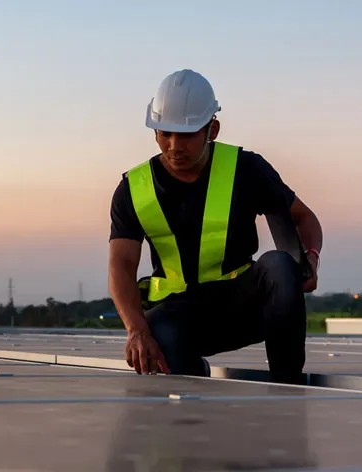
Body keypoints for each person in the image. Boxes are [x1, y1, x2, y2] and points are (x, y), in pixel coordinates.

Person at [108, 69, 323, 384]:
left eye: (187, 134)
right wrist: (136, 330)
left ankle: (287, 384)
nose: (173, 146)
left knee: (280, 265)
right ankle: (192, 373)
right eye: (164, 133)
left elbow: (303, 217)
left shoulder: (246, 169)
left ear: (213, 129)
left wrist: (311, 258)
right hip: (179, 315)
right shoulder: (133, 189)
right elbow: (121, 265)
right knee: (157, 334)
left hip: (244, 308)